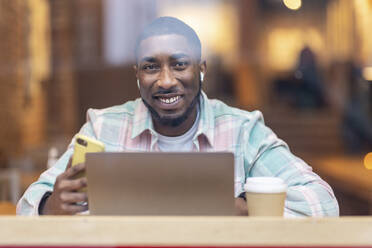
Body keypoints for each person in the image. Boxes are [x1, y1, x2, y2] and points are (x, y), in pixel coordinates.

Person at [17, 17, 339, 217]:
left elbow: (322, 203)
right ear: (138, 74)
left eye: (180, 64)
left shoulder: (242, 130)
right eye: (151, 66)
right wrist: (49, 206)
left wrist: (242, 208)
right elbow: (28, 204)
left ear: (201, 70)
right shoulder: (103, 127)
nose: (166, 80)